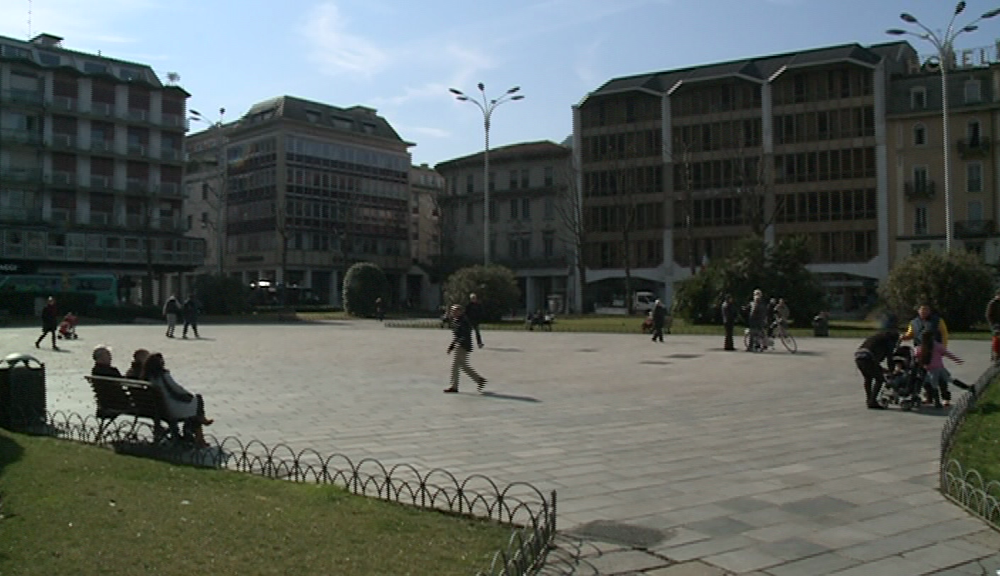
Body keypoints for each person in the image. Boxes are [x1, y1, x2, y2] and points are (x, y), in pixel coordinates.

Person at [141, 352, 214, 447]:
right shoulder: (163, 376)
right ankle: (199, 436)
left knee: (195, 408)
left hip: (158, 409)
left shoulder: (147, 378)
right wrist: (188, 395)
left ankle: (196, 432)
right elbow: (176, 389)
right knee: (198, 401)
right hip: (171, 409)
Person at [915, 330, 965, 408]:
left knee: (933, 385)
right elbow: (947, 353)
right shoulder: (937, 345)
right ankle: (968, 388)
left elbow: (917, 356)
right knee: (950, 379)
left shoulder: (922, 347)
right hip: (941, 368)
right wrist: (957, 360)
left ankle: (937, 402)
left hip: (931, 370)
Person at [444, 304, 487, 394]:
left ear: (460, 311)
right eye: (452, 311)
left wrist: (459, 344)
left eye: (455, 311)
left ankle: (454, 386)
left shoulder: (463, 321)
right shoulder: (456, 320)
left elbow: (465, 334)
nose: (453, 312)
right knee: (462, 365)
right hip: (461, 344)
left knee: (455, 365)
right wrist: (451, 346)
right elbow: (456, 335)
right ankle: (479, 379)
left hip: (463, 345)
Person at [854, 327, 900, 409]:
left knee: (868, 378)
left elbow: (874, 360)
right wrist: (892, 371)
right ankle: (872, 401)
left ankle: (869, 400)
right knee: (880, 379)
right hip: (867, 358)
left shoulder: (877, 338)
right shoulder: (888, 341)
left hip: (859, 357)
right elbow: (890, 358)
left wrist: (882, 369)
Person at [986, 290, 1000, 362]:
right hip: (995, 324)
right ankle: (995, 356)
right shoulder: (993, 303)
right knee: (996, 337)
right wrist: (993, 325)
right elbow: (989, 315)